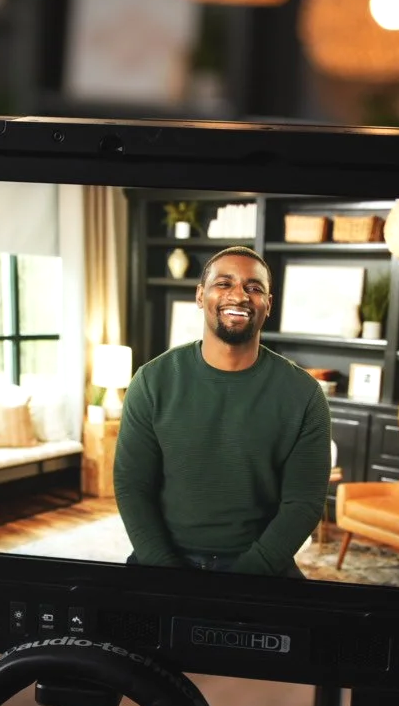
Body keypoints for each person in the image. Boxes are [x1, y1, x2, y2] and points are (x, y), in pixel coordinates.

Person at [112, 246, 330, 577]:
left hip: (261, 567)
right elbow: (132, 486)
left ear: (268, 305)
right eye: (224, 283)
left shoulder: (304, 394)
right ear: (201, 296)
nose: (239, 295)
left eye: (254, 287)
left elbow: (304, 503)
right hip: (163, 560)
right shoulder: (152, 381)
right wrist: (165, 571)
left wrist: (245, 577)